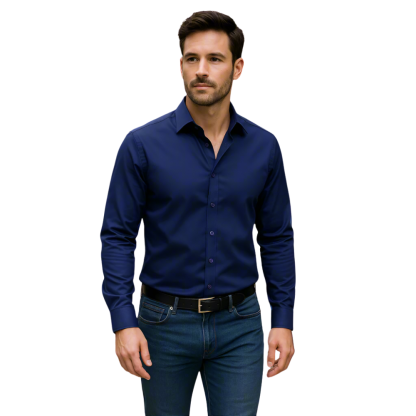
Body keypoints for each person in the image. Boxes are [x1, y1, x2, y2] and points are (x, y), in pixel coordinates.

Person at [100, 10, 296, 416]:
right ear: (181, 65)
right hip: (162, 325)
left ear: (237, 68)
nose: (201, 70)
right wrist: (123, 319)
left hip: (240, 325)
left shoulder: (264, 147)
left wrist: (283, 317)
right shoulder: (142, 145)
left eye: (214, 59)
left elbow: (276, 237)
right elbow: (118, 235)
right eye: (192, 59)